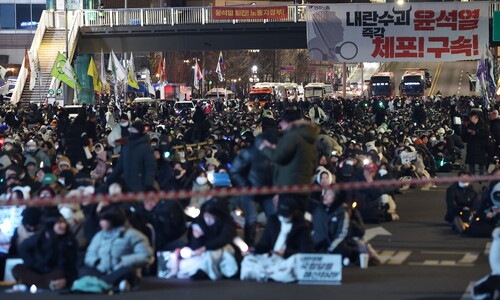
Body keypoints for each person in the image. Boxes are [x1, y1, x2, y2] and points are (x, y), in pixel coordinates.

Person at [80, 205, 153, 292]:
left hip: (120, 270)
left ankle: (98, 284)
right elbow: (90, 253)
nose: (100, 223)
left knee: (129, 271)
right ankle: (112, 284)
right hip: (101, 271)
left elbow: (146, 256)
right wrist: (96, 262)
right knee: (83, 270)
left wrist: (125, 261)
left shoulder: (133, 235)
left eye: (104, 220)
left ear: (113, 220)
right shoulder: (99, 236)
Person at [259, 108, 319, 212]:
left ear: (287, 122)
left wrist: (265, 148)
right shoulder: (307, 137)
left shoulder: (292, 137)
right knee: (298, 218)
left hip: (289, 187)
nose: (280, 125)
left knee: (288, 219)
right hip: (303, 185)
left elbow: (278, 157)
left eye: (282, 122)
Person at [240, 198, 314, 283]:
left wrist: (285, 252)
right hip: (270, 258)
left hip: (286, 261)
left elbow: (307, 251)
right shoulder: (273, 221)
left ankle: (266, 275)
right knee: (248, 260)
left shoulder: (301, 227)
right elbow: (264, 244)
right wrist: (252, 250)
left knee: (295, 261)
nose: (283, 217)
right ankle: (269, 274)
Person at [166, 198, 239, 280]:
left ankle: (206, 272)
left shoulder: (226, 224)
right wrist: (197, 238)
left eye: (211, 217)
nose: (208, 220)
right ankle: (201, 272)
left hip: (219, 249)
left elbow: (223, 239)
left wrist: (205, 247)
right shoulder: (199, 223)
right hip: (201, 253)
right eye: (206, 216)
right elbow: (194, 247)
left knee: (217, 255)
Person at [12, 211, 78, 291]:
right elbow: (23, 248)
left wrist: (67, 280)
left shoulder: (69, 240)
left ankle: (38, 284)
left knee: (60, 273)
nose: (63, 225)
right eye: (59, 223)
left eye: (63, 222)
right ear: (51, 224)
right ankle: (45, 284)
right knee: (17, 268)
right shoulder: (40, 237)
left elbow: (71, 265)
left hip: (55, 272)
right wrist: (31, 263)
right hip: (37, 270)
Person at [230, 133, 275, 246]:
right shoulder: (248, 153)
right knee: (251, 218)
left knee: (273, 216)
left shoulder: (272, 154)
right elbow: (234, 171)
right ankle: (249, 245)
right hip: (250, 191)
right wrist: (246, 185)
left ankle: (272, 243)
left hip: (267, 191)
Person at [107, 120, 157, 192]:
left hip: (141, 186)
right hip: (127, 185)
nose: (132, 133)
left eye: (134, 131)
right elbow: (120, 165)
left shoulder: (146, 148)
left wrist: (148, 184)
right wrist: (111, 178)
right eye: (131, 130)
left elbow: (150, 167)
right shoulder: (127, 147)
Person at [462, 111, 489, 175]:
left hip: (481, 146)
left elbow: (486, 134)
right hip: (471, 146)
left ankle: (482, 176)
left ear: (475, 117)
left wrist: (476, 133)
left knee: (481, 163)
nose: (470, 119)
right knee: (471, 163)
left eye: (471, 117)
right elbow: (463, 136)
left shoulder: (483, 125)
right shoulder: (469, 125)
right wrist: (467, 132)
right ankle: (471, 175)